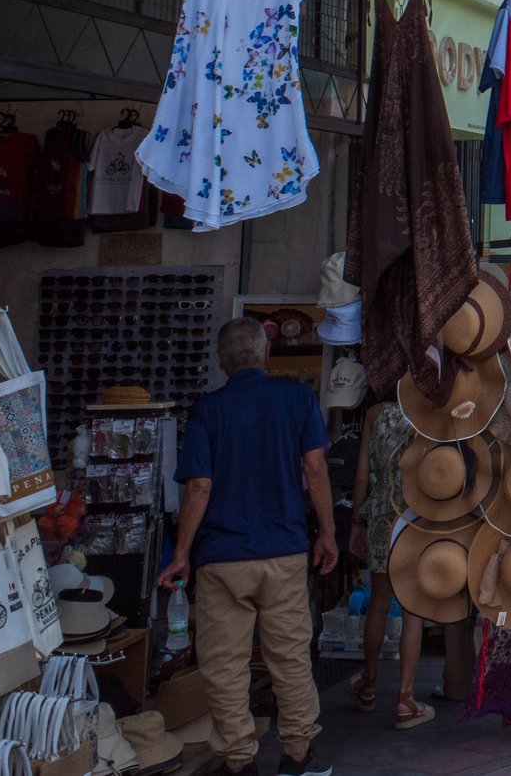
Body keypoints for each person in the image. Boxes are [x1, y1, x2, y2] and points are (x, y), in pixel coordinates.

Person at [158, 319, 336, 776]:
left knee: (225, 666)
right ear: (265, 356)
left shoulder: (206, 410)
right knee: (291, 658)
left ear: (219, 362)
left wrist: (181, 554)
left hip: (223, 558)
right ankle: (299, 756)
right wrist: (328, 534)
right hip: (284, 552)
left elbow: (199, 486)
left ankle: (239, 762)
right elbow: (315, 470)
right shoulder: (297, 399)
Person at [346, 389, 429, 729]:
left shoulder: (373, 414)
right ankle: (405, 699)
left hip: (381, 513)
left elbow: (362, 475)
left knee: (379, 602)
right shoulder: (425, 407)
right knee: (413, 607)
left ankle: (368, 683)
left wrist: (355, 522)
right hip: (416, 514)